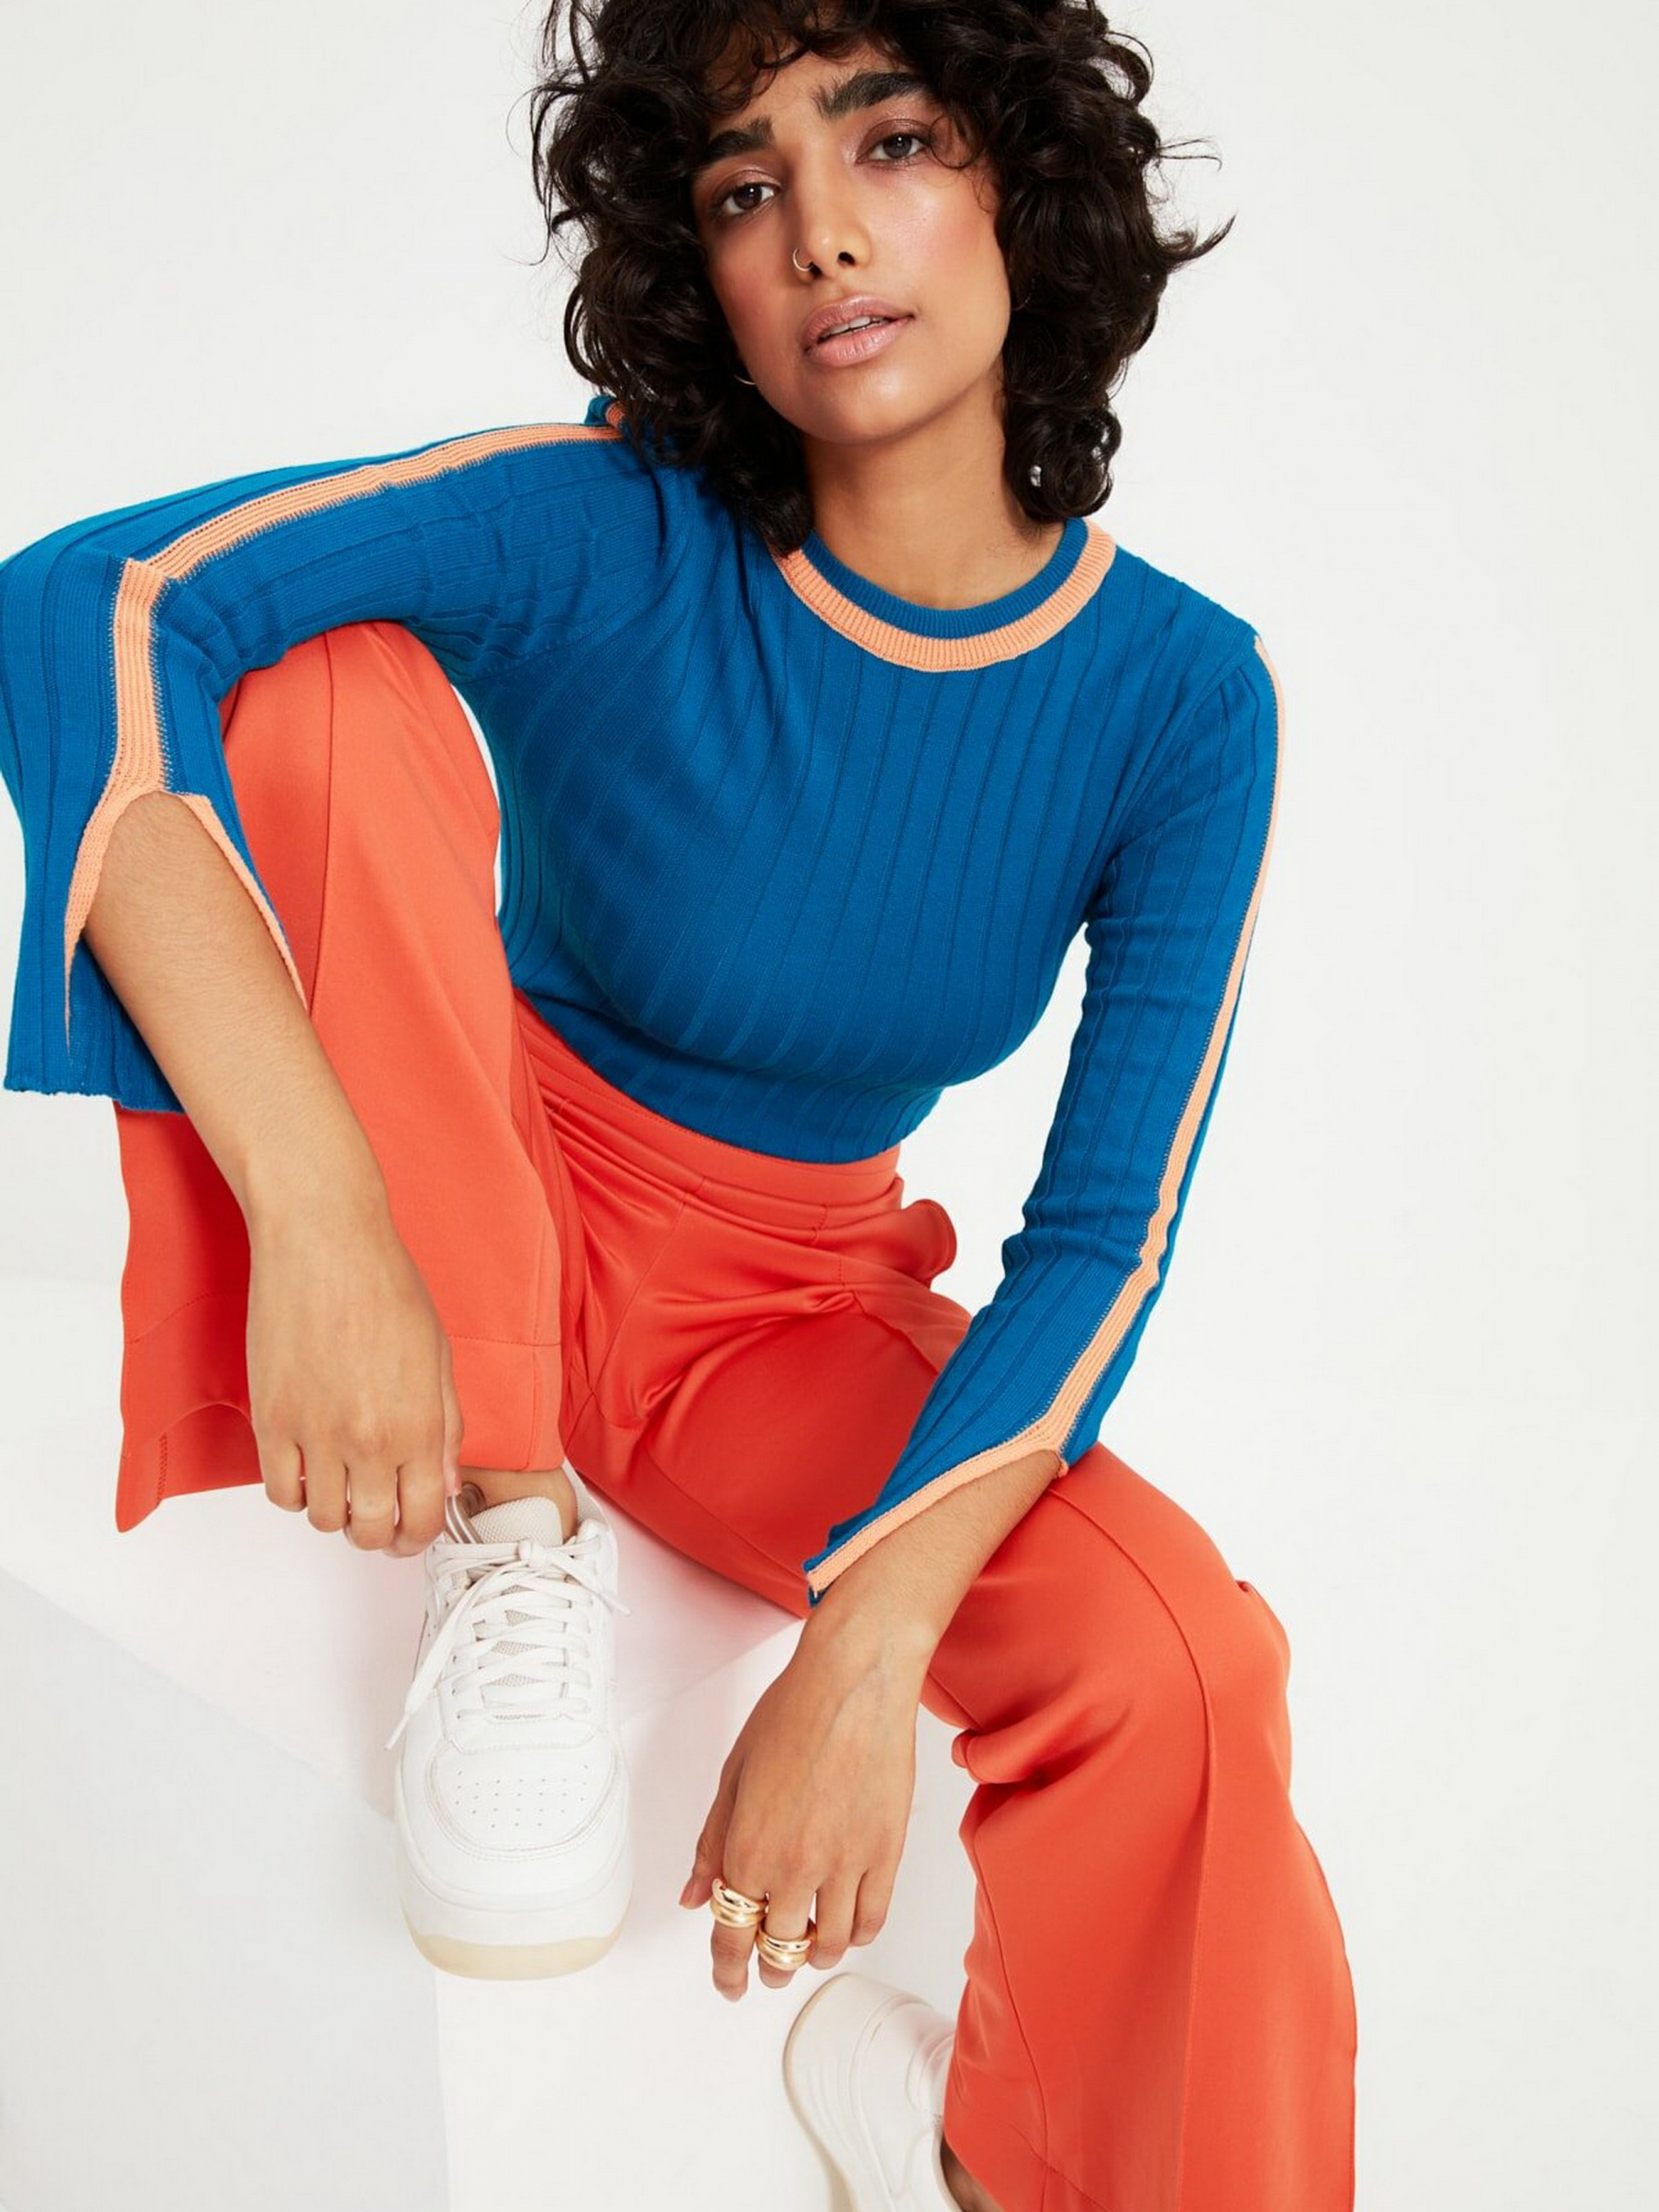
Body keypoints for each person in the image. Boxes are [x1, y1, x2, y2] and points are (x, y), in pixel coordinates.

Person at [0, 2, 1358, 2206]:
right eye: (745, 186)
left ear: (1024, 181)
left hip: (784, 1315)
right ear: (694, 263)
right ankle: (504, 1516)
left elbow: (1104, 1236)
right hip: (455, 1177)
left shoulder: (1181, 696)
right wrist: (325, 1207)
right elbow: (95, 598)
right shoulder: (618, 526)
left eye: (889, 141)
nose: (822, 233)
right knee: (327, 672)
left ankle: (1007, 2156)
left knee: (1186, 1663)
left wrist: (866, 1645)